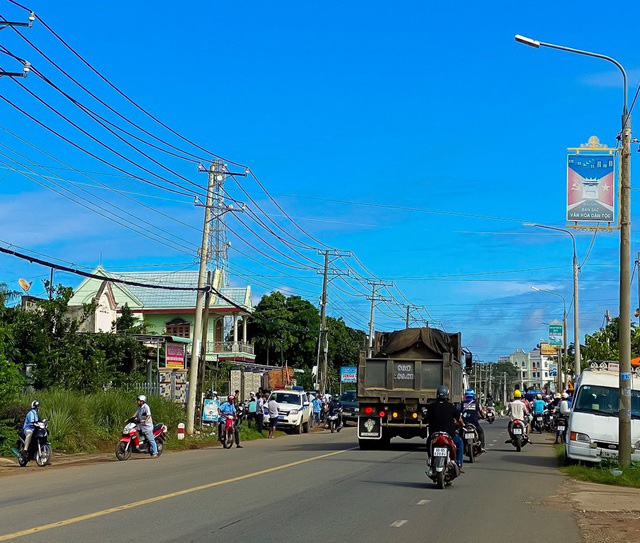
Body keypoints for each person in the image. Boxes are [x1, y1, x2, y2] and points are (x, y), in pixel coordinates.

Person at [426, 385, 465, 469]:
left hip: (434, 434)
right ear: (447, 395)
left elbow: (427, 419)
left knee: (428, 442)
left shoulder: (431, 407)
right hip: (449, 434)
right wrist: (462, 426)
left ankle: (430, 459)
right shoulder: (451, 407)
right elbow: (460, 420)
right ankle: (459, 463)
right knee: (460, 443)